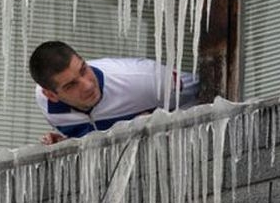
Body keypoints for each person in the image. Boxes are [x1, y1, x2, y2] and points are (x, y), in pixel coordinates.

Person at [29, 41, 199, 144]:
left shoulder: (146, 79)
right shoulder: (46, 104)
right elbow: (94, 132)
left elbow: (208, 90)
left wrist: (164, 119)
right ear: (51, 95)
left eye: (83, 69)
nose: (87, 85)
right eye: (71, 85)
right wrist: (69, 143)